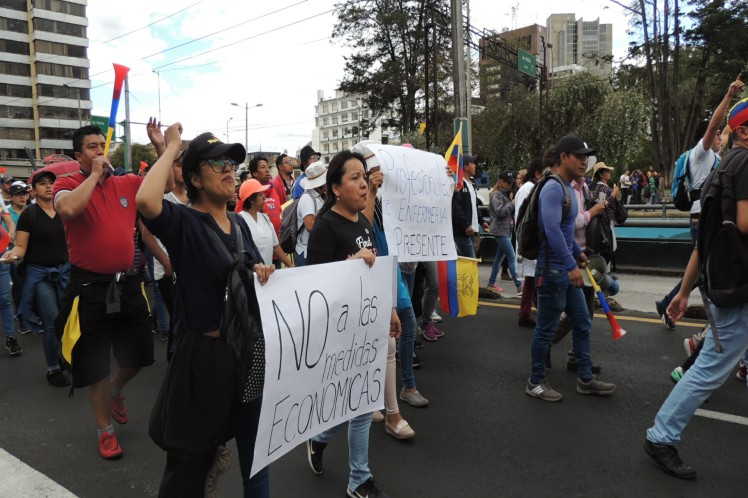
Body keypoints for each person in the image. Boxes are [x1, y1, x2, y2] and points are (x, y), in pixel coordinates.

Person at [137, 126, 275, 498]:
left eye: (232, 162)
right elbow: (146, 202)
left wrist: (263, 273)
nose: (230, 170)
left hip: (245, 354)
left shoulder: (241, 226)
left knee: (256, 454)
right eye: (217, 164)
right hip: (202, 361)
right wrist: (171, 150)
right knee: (189, 466)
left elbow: (262, 278)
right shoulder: (185, 222)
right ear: (195, 177)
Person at [644, 105, 748, 480]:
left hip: (720, 283)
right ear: (744, 132)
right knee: (709, 368)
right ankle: (661, 436)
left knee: (712, 364)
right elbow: (744, 223)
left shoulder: (720, 170)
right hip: (736, 287)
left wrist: (685, 290)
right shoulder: (743, 165)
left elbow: (703, 240)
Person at [53, 125, 156, 460]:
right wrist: (93, 177)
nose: (100, 152)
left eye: (102, 146)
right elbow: (68, 210)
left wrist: (159, 149)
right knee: (95, 363)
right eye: (92, 147)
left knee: (140, 354)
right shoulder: (66, 184)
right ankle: (105, 431)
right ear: (78, 155)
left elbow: (164, 186)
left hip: (127, 282)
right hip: (89, 287)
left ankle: (115, 390)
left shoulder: (126, 182)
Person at [305, 150, 401, 498]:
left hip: (367, 326)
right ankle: (359, 479)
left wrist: (388, 310)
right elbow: (315, 288)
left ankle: (319, 440)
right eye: (355, 178)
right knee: (357, 406)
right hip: (340, 332)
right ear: (335, 188)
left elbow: (373, 274)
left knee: (358, 405)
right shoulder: (326, 227)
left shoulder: (362, 221)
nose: (364, 184)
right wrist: (350, 262)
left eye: (365, 176)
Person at [525, 136, 616, 402]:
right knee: (545, 328)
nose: (584, 161)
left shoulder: (568, 188)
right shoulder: (553, 188)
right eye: (579, 156)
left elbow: (565, 232)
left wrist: (578, 254)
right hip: (553, 269)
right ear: (563, 157)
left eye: (586, 157)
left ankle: (585, 379)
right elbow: (551, 230)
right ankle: (535, 381)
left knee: (582, 321)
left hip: (565, 265)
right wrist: (570, 264)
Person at [655, 79, 744, 329]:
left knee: (704, 269)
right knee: (706, 270)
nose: (720, 137)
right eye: (716, 135)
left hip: (707, 218)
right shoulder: (700, 154)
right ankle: (695, 316)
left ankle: (671, 303)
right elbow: (715, 125)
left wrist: (735, 111)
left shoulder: (716, 157)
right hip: (701, 219)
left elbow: (726, 129)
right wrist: (727, 97)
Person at [3, 169, 70, 386]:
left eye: (51, 182)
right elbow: (21, 246)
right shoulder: (29, 215)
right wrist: (12, 254)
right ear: (33, 189)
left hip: (65, 273)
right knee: (51, 319)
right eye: (43, 183)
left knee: (66, 319)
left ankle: (65, 357)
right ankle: (53, 368)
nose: (49, 186)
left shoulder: (64, 210)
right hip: (40, 276)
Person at [236, 179, 293, 267]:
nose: (264, 197)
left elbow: (276, 247)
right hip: (253, 276)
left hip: (269, 274)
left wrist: (291, 266)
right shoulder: (240, 220)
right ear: (251, 200)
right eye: (260, 195)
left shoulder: (264, 218)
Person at [515, 158, 544, 328]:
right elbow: (523, 219)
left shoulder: (530, 188)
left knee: (531, 281)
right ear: (538, 173)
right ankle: (529, 313)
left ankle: (525, 313)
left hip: (528, 241)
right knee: (534, 279)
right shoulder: (529, 189)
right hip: (529, 241)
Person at [487, 172, 521, 295]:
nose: (509, 184)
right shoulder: (496, 195)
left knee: (498, 259)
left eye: (510, 182)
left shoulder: (501, 194)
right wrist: (512, 203)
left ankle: (491, 283)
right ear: (500, 181)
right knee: (511, 257)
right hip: (500, 231)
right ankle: (519, 285)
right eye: (507, 182)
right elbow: (500, 212)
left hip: (505, 230)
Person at [294, 161, 326, 267]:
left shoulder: (320, 196)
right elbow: (310, 226)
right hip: (306, 253)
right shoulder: (307, 198)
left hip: (314, 250)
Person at [452, 155, 479, 258]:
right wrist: (466, 225)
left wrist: (481, 221)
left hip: (472, 232)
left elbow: (473, 205)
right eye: (473, 163)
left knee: (470, 264)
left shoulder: (471, 183)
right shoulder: (459, 184)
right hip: (463, 233)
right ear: (466, 167)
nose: (475, 166)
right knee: (470, 263)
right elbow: (456, 208)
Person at [248, 156, 282, 236]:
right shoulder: (249, 192)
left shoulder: (273, 189)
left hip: (276, 240)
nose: (267, 170)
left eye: (268, 167)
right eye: (263, 167)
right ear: (255, 173)